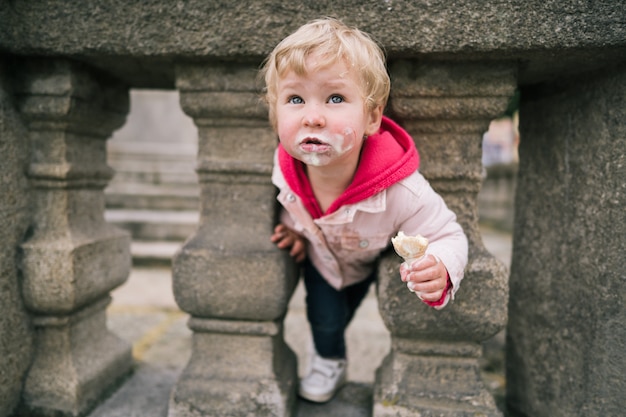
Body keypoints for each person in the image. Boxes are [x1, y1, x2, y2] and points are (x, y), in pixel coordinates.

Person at [261, 18, 468, 403]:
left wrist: (440, 266)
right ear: (275, 115)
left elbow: (447, 233)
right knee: (323, 316)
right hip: (323, 262)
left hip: (370, 255)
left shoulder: (401, 188)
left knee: (348, 308)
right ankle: (329, 359)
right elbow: (291, 203)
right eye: (295, 100)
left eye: (335, 98)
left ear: (372, 117)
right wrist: (292, 230)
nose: (313, 117)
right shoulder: (283, 172)